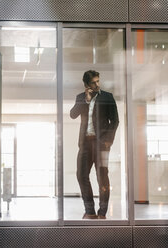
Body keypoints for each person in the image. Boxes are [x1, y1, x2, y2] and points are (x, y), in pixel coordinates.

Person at [70, 70, 119, 220]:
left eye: (98, 81)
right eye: (94, 82)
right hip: (85, 143)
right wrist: (86, 99)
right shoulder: (81, 97)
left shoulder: (107, 97)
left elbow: (115, 121)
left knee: (102, 176)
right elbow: (73, 114)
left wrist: (108, 141)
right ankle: (89, 210)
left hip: (101, 144)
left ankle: (102, 212)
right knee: (81, 175)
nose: (97, 84)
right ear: (86, 84)